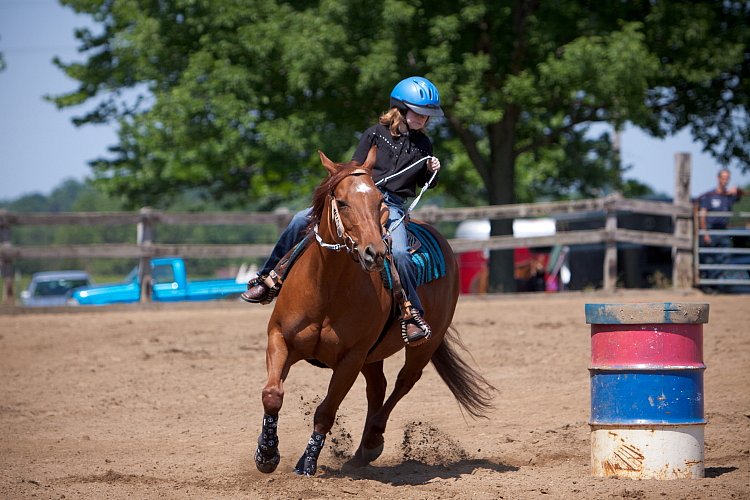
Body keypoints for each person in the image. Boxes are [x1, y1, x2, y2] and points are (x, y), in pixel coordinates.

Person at [242, 76, 444, 346]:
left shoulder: (424, 146)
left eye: (427, 115)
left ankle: (411, 313)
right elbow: (354, 168)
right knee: (299, 219)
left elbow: (423, 183)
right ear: (401, 108)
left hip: (392, 205)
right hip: (359, 197)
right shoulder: (375, 134)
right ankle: (268, 279)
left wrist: (432, 171)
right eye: (419, 113)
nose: (423, 119)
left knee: (398, 253)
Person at [697, 168, 744, 291]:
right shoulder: (709, 195)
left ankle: (713, 283)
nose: (725, 180)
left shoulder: (729, 196)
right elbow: (703, 214)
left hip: (723, 231)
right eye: (723, 178)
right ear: (718, 178)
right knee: (708, 259)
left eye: (727, 178)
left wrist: (736, 190)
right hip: (710, 230)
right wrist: (705, 232)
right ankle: (707, 285)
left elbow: (741, 193)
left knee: (724, 257)